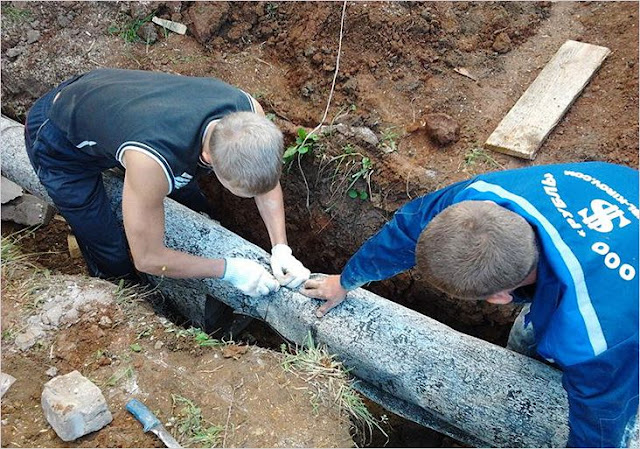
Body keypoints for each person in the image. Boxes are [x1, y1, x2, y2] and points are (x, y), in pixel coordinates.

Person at [301, 162, 638, 447]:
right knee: (530, 337)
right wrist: (344, 281)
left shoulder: (596, 334)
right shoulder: (481, 198)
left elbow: (601, 416)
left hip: (623, 304)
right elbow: (405, 233)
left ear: (500, 297)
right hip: (619, 200)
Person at [24, 68, 310, 297]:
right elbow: (147, 257)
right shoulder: (152, 161)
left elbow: (266, 181)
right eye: (239, 190)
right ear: (209, 158)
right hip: (59, 138)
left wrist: (280, 247)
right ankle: (127, 298)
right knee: (109, 247)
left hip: (117, 106)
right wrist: (228, 270)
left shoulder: (248, 116)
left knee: (195, 204)